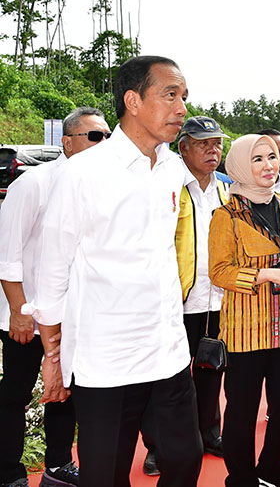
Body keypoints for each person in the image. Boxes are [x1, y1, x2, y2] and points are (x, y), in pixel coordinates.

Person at [27, 56, 203, 487]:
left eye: (184, 96)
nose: (181, 108)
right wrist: (53, 357)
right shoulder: (83, 173)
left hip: (167, 351)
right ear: (133, 101)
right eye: (170, 95)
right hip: (106, 360)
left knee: (186, 459)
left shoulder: (172, 168)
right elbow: (53, 269)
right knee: (105, 474)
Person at [0, 107, 110, 487]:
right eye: (94, 136)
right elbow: (8, 254)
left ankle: (58, 465)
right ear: (67, 142)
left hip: (71, 314)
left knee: (64, 393)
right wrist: (19, 311)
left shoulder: (99, 189)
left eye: (107, 137)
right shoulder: (34, 184)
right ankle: (9, 473)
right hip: (27, 313)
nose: (103, 143)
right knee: (16, 393)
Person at [208, 134, 280, 487]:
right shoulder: (226, 215)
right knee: (242, 412)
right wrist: (266, 274)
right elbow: (219, 272)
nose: (269, 165)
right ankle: (242, 479)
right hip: (245, 333)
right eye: (258, 159)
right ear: (239, 165)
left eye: (273, 157)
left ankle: (274, 468)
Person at [142, 115, 232, 475]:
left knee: (211, 370)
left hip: (215, 298)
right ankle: (157, 446)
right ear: (183, 147)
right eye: (203, 144)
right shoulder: (170, 186)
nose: (213, 150)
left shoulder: (226, 189)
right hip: (175, 300)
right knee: (166, 378)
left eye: (217, 144)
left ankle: (209, 433)